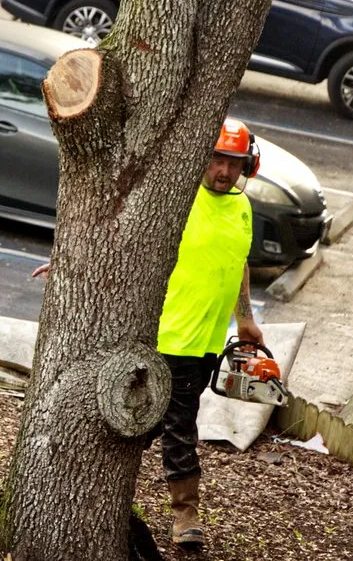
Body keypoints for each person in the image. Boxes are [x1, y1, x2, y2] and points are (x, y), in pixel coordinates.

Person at [31, 118, 264, 549]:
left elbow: (238, 262)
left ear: (247, 166)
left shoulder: (243, 209)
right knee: (178, 426)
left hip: (207, 342)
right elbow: (122, 237)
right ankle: (185, 516)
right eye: (216, 160)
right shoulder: (176, 199)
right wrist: (72, 266)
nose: (224, 173)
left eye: (234, 164)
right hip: (168, 336)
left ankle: (95, 486)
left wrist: (245, 317)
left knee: (151, 425)